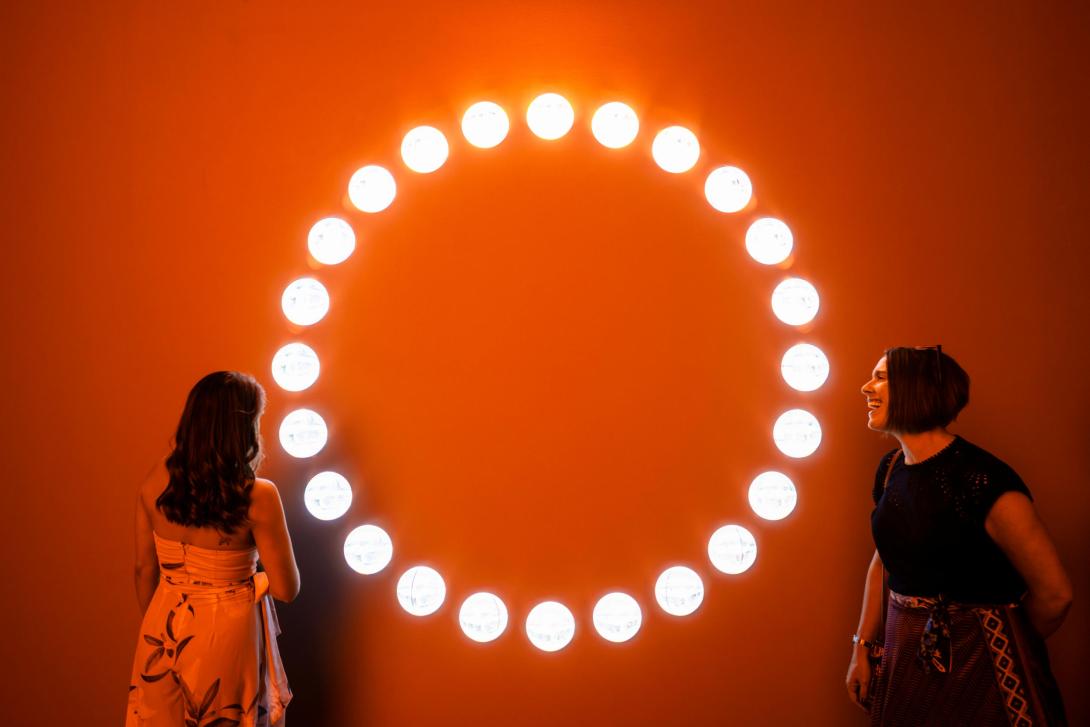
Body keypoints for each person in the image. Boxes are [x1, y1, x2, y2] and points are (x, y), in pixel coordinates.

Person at [846, 347, 1071, 726]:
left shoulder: (983, 480)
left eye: (882, 377)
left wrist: (995, 645)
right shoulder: (890, 469)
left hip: (984, 670)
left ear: (916, 388)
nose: (867, 388)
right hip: (904, 659)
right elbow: (884, 558)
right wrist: (864, 647)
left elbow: (1055, 594)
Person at [126, 371, 300, 726]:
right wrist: (239, 582)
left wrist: (167, 617)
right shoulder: (258, 495)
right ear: (242, 429)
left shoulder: (155, 478)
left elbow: (145, 570)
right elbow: (286, 588)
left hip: (162, 626)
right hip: (225, 631)